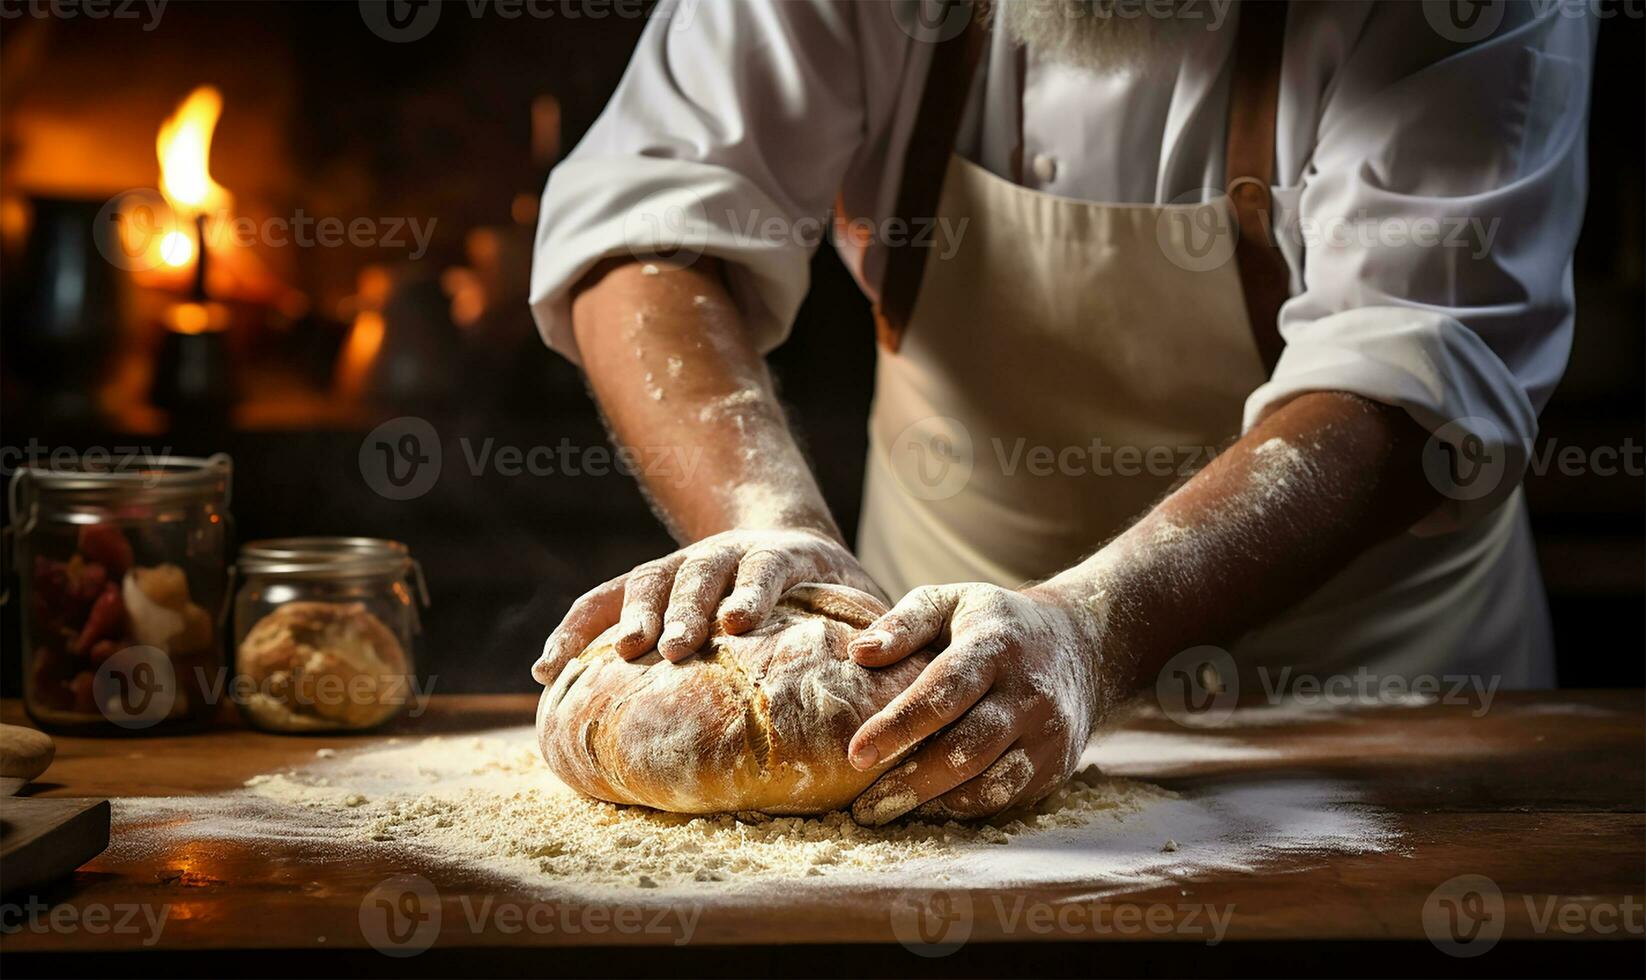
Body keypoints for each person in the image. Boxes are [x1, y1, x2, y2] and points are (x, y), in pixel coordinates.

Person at [528, 0, 1594, 824]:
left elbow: (1409, 366)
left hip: (1369, 711)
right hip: (928, 703)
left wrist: (1090, 631)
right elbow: (651, 227)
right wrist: (770, 525)